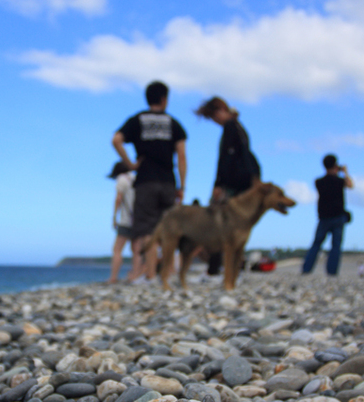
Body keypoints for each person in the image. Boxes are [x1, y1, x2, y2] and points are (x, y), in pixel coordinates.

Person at [112, 81, 187, 281]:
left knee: (146, 230)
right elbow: (181, 157)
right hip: (168, 182)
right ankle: (169, 273)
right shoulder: (174, 123)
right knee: (169, 229)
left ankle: (151, 274)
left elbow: (116, 140)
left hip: (145, 181)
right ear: (164, 99)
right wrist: (182, 186)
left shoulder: (137, 120)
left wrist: (130, 164)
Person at [195, 97, 261, 274]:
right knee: (233, 226)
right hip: (244, 183)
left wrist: (219, 184)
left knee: (218, 224)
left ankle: (215, 269)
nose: (214, 121)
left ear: (220, 110)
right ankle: (228, 267)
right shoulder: (239, 127)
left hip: (234, 184)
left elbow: (226, 159)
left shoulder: (231, 127)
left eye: (212, 117)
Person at [302, 155, 353, 276]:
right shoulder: (339, 181)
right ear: (335, 166)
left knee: (316, 244)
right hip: (338, 217)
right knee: (336, 246)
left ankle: (306, 269)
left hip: (323, 217)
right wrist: (345, 172)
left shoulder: (319, 182)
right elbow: (350, 185)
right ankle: (332, 272)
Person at [107, 161, 137, 283]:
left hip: (126, 219)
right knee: (136, 249)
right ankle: (135, 275)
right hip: (139, 219)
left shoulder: (122, 179)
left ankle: (113, 277)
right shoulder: (135, 177)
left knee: (117, 249)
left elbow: (118, 198)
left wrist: (114, 216)